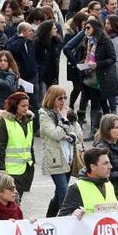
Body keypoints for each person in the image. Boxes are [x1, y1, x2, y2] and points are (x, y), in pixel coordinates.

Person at [39, 85, 81, 216]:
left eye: (65, 98)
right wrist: (63, 120)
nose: (63, 101)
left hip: (68, 158)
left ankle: (48, 219)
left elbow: (78, 135)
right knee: (64, 193)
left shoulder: (70, 114)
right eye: (59, 98)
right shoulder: (45, 115)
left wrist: (69, 135)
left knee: (58, 194)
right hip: (55, 160)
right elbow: (55, 134)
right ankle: (66, 221)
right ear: (52, 99)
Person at [0, 92, 35, 196]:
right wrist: (1, 167)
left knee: (18, 200)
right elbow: (0, 146)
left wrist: (32, 162)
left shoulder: (29, 121)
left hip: (26, 168)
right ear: (14, 105)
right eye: (23, 106)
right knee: (12, 201)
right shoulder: (4, 122)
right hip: (10, 170)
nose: (26, 108)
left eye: (27, 105)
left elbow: (30, 145)